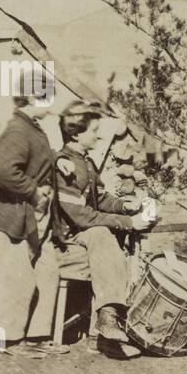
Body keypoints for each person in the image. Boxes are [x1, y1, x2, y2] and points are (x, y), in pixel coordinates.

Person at [52, 101, 154, 354]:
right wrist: (130, 223)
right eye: (93, 130)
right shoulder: (65, 166)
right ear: (75, 134)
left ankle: (107, 325)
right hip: (64, 241)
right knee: (101, 234)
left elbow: (101, 198)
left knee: (105, 237)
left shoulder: (85, 163)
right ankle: (108, 318)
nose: (98, 135)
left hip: (80, 235)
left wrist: (124, 206)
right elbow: (82, 217)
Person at [0, 90, 62, 355]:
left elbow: (41, 159)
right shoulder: (17, 130)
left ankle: (36, 336)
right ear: (32, 99)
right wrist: (35, 192)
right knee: (17, 280)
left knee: (47, 272)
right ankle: (7, 340)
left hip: (34, 215)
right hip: (14, 213)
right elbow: (4, 173)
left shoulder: (32, 128)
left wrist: (62, 159)